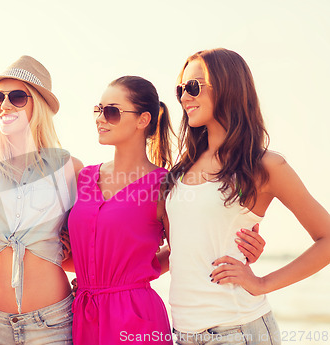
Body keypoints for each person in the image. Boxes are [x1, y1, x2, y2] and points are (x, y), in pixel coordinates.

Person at [67, 75, 266, 345]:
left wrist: (243, 248)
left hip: (134, 317)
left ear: (143, 120)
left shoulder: (166, 185)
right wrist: (90, 277)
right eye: (98, 110)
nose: (100, 118)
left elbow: (184, 250)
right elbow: (76, 252)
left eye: (111, 112)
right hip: (84, 313)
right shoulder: (84, 178)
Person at [165, 48, 330, 345]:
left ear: (228, 87)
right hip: (183, 333)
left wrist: (261, 282)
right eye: (181, 89)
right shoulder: (180, 170)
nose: (184, 97)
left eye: (193, 87)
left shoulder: (266, 166)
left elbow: (327, 238)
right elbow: (182, 246)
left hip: (238, 331)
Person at [0, 56, 83, 345]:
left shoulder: (70, 168)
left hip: (53, 321)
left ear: (37, 105)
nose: (5, 105)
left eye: (17, 97)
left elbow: (87, 238)